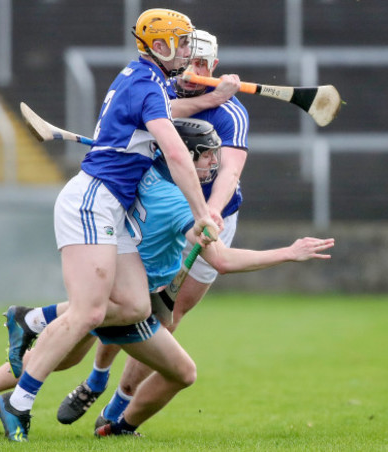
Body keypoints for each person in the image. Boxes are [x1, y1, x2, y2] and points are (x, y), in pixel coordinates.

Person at [0, 119, 335, 439]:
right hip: (133, 297)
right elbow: (222, 260)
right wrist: (288, 252)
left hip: (113, 280)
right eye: (208, 155)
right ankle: (114, 425)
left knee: (64, 351)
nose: (215, 162)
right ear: (186, 156)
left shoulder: (143, 167)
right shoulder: (180, 203)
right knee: (182, 372)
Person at [0, 8, 220, 442]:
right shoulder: (144, 84)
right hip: (94, 199)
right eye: (183, 42)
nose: (188, 51)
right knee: (90, 311)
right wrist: (203, 211)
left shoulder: (146, 81)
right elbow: (174, 150)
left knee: (134, 306)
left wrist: (210, 99)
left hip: (114, 207)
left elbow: (169, 111)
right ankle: (17, 403)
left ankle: (33, 320)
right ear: (160, 46)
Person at [56, 29, 251, 429]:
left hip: (212, 218)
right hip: (160, 211)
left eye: (202, 64)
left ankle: (119, 405)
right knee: (122, 300)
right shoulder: (162, 92)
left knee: (166, 316)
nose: (194, 70)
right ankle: (95, 378)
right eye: (189, 60)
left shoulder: (230, 113)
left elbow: (230, 171)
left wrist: (209, 214)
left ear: (212, 66)